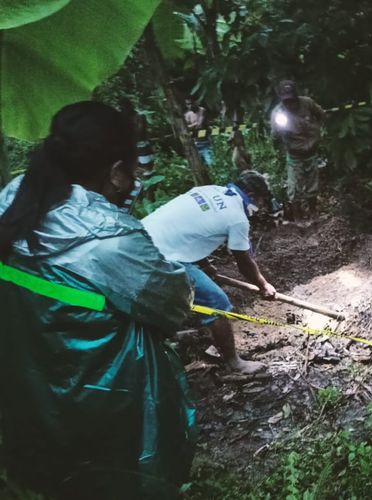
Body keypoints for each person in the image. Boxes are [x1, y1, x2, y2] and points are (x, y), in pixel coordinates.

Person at [0, 101, 195, 498]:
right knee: (118, 477)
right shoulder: (110, 241)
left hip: (28, 383)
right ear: (116, 171)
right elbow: (172, 305)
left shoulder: (12, 202)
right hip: (108, 393)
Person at [142, 170, 277, 374]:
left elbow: (192, 231)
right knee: (217, 303)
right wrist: (263, 285)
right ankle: (234, 363)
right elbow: (244, 263)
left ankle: (170, 339)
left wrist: (205, 266)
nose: (260, 206)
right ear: (250, 193)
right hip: (161, 257)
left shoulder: (208, 190)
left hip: (138, 241)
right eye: (260, 200)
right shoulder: (237, 218)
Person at [270, 80, 325, 220]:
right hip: (294, 154)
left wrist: (315, 130)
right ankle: (298, 218)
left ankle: (313, 213)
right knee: (294, 187)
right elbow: (275, 135)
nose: (290, 104)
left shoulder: (307, 103)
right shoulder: (278, 113)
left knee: (313, 184)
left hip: (311, 150)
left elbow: (320, 114)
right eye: (287, 101)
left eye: (292, 100)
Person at [185, 97, 214, 166]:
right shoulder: (188, 115)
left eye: (191, 103)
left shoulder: (202, 110)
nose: (190, 106)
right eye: (188, 104)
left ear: (196, 102)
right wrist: (194, 125)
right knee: (198, 166)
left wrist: (191, 126)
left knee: (211, 163)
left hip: (205, 142)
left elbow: (199, 125)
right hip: (195, 143)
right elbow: (185, 128)